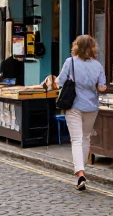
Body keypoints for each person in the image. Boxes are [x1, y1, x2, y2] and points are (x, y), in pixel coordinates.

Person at [43, 35, 107, 192]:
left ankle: (80, 173)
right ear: (92, 48)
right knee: (85, 138)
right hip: (91, 106)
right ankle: (82, 168)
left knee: (76, 140)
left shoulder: (70, 62)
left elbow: (59, 82)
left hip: (73, 106)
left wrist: (51, 80)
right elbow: (102, 87)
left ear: (76, 47)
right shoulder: (98, 66)